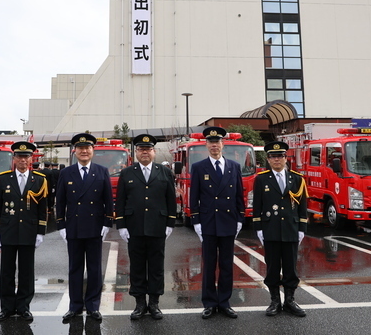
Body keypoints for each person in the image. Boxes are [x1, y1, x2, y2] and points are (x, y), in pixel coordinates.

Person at [116, 134, 177, 320]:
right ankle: (140, 303)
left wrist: (170, 223)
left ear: (154, 151)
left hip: (158, 226)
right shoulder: (127, 173)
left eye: (148, 149)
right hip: (134, 227)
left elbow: (171, 200)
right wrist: (121, 224)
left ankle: (154, 303)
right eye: (141, 149)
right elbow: (120, 201)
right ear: (136, 153)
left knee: (157, 266)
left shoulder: (165, 172)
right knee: (137, 266)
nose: (145, 152)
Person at [56, 133, 113, 323]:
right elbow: (60, 201)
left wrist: (107, 222)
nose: (84, 151)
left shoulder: (102, 171)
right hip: (73, 226)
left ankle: (93, 306)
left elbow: (108, 199)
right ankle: (75, 306)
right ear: (75, 151)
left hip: (95, 226)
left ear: (93, 150)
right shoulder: (66, 172)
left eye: (87, 148)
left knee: (95, 268)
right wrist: (61, 224)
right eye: (80, 148)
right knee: (75, 268)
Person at [189, 126, 244, 319]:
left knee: (227, 264)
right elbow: (193, 196)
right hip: (208, 222)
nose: (214, 146)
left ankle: (225, 302)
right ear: (206, 145)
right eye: (211, 143)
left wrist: (240, 218)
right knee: (209, 264)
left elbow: (239, 195)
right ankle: (210, 303)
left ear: (223, 144)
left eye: (217, 142)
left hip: (228, 221)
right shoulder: (198, 167)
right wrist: (195, 220)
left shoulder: (234, 166)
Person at [0, 141, 48, 323]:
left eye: (26, 157)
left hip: (28, 231)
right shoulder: (4, 178)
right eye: (19, 157)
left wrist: (41, 231)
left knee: (26, 271)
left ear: (31, 159)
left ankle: (23, 307)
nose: (23, 160)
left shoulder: (39, 180)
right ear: (14, 158)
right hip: (7, 230)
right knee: (6, 272)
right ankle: (6, 308)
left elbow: (42, 208)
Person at [253, 141, 308, 317]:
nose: (277, 160)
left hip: (291, 229)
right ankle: (275, 301)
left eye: (280, 156)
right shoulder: (261, 179)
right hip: (271, 229)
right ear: (268, 159)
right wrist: (258, 228)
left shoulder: (297, 179)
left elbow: (302, 207)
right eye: (273, 156)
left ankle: (290, 300)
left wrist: (302, 228)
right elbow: (257, 206)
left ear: (286, 158)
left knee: (291, 268)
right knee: (272, 268)